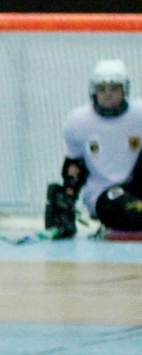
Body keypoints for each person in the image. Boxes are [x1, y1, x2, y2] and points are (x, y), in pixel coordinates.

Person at [47, 58, 142, 237]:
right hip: (103, 192)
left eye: (114, 89)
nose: (108, 94)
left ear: (124, 90)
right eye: (102, 89)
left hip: (134, 187)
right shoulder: (78, 121)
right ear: (94, 91)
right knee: (130, 211)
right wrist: (68, 198)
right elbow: (74, 165)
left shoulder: (139, 114)